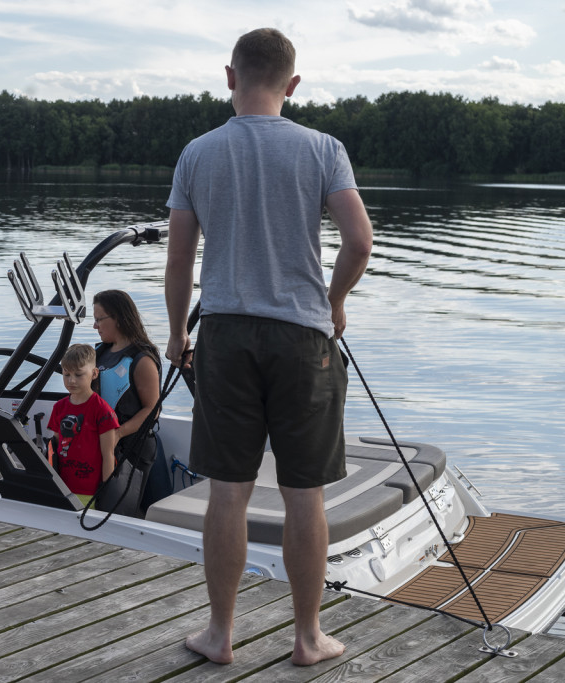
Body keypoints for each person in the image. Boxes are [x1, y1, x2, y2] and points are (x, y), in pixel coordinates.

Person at [163, 29, 373, 667]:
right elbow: (359, 242)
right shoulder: (323, 149)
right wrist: (333, 303)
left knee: (229, 491)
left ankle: (220, 636)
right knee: (303, 494)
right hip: (304, 338)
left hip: (225, 334)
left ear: (230, 76)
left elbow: (178, 261)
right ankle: (308, 639)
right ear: (293, 84)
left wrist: (176, 335)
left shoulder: (198, 153)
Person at [91, 290, 169, 513]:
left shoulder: (141, 359)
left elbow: (152, 409)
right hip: (105, 444)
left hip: (132, 448)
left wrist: (117, 434)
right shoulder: (98, 352)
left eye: (99, 320)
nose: (95, 326)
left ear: (118, 317)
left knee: (121, 513)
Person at [47, 344, 119, 506]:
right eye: (66, 374)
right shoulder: (59, 407)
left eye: (79, 375)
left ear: (94, 374)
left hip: (90, 492)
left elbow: (108, 454)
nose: (71, 380)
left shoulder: (102, 410)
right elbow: (55, 447)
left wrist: (106, 492)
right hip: (62, 488)